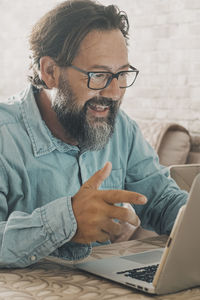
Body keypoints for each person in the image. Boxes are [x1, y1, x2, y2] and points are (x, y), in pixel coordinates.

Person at [0, 0, 187, 268]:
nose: (114, 93)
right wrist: (66, 221)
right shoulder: (4, 136)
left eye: (122, 74)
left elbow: (163, 201)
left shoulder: (121, 128)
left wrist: (191, 218)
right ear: (50, 72)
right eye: (98, 75)